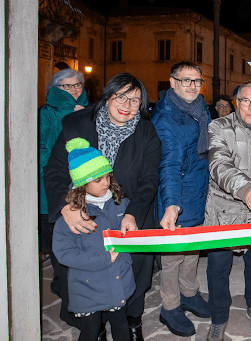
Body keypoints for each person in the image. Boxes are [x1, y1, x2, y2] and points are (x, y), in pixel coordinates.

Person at [44, 72, 161, 340]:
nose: (128, 105)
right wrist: (66, 206)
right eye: (122, 96)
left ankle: (132, 322)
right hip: (85, 215)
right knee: (86, 271)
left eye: (135, 100)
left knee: (133, 272)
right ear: (108, 96)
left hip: (126, 213)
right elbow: (54, 171)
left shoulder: (146, 132)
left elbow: (149, 179)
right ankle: (91, 326)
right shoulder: (76, 125)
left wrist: (133, 213)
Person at [205, 82, 251, 341]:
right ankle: (218, 316)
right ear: (237, 102)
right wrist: (246, 190)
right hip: (223, 210)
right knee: (218, 266)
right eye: (245, 100)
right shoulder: (219, 126)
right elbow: (218, 164)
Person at [52, 138, 135, 341]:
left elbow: (130, 233)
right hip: (87, 285)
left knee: (120, 324)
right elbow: (64, 253)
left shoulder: (120, 203)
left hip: (118, 279)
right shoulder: (72, 217)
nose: (106, 183)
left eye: (107, 177)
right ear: (81, 184)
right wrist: (102, 259)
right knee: (90, 330)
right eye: (98, 180)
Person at [151, 61, 211, 337]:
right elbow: (169, 165)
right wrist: (171, 204)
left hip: (197, 191)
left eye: (196, 81)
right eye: (185, 80)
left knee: (192, 250)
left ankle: (189, 293)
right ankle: (170, 306)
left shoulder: (199, 108)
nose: (192, 86)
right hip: (177, 192)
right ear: (172, 82)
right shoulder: (167, 117)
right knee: (173, 255)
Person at [39, 68, 88, 256]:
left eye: (77, 85)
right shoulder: (46, 113)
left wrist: (85, 115)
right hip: (53, 176)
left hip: (82, 177)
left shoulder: (88, 110)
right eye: (67, 86)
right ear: (56, 88)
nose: (75, 90)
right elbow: (40, 147)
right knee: (56, 226)